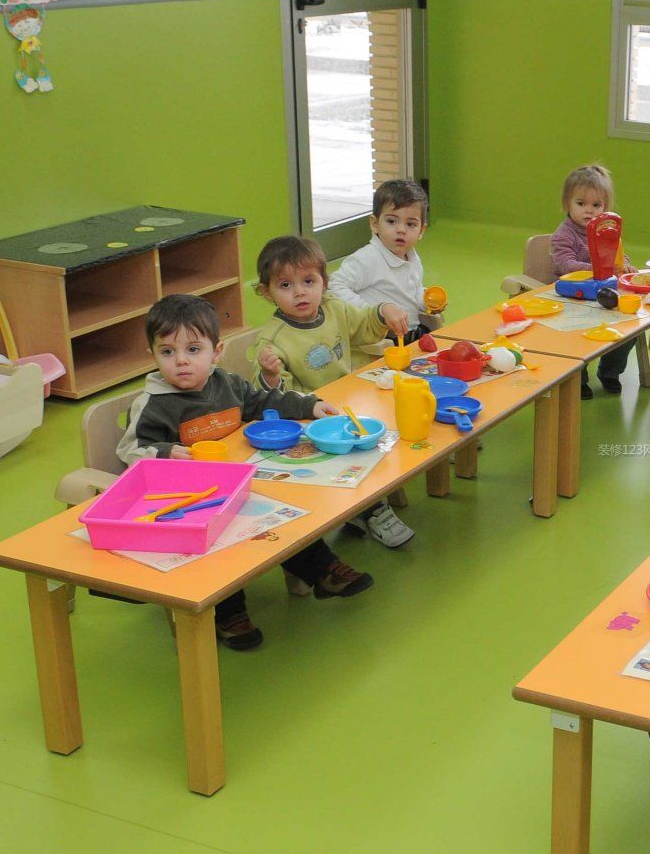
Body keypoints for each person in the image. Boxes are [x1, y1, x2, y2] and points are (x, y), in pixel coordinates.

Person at [118, 294, 372, 650]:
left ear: (216, 351)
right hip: (192, 502)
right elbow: (129, 450)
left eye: (193, 350)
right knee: (217, 545)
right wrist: (163, 451)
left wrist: (309, 405)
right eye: (167, 352)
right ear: (153, 354)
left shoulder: (227, 384)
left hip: (240, 483)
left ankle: (323, 571)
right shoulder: (152, 403)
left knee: (285, 514)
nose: (181, 362)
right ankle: (229, 612)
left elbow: (265, 402)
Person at [249, 235, 414, 549]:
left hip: (348, 404)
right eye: (285, 286)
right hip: (308, 419)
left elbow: (364, 325)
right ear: (266, 292)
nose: (300, 292)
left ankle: (366, 501)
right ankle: (374, 509)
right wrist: (270, 374)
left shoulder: (335, 308)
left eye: (308, 281)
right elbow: (270, 398)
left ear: (324, 282)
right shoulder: (273, 339)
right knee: (363, 451)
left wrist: (383, 310)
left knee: (391, 428)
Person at [550, 163, 636, 398]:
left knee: (632, 328)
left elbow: (619, 252)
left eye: (596, 205)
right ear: (567, 203)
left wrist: (625, 265)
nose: (589, 211)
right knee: (577, 333)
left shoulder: (606, 229)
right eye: (581, 204)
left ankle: (610, 372)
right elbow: (564, 264)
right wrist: (600, 269)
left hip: (604, 294)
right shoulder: (564, 234)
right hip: (573, 296)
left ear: (605, 206)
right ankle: (578, 377)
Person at [329, 178, 434, 343]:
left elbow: (411, 291)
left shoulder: (412, 257)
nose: (401, 230)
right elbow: (333, 286)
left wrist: (426, 299)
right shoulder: (368, 258)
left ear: (421, 230)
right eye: (391, 221)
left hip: (411, 334)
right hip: (382, 340)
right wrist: (376, 311)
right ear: (375, 224)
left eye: (410, 224)